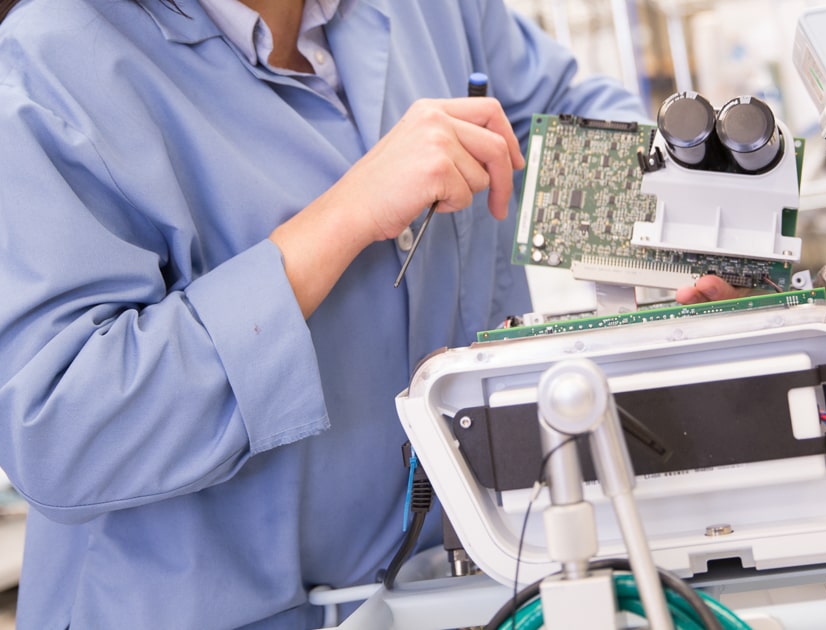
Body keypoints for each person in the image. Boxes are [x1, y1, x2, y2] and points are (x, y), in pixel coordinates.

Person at [0, 0, 667, 626]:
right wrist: (342, 218)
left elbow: (565, 123)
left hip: (464, 589)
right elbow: (59, 428)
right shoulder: (47, 68)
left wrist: (682, 238)